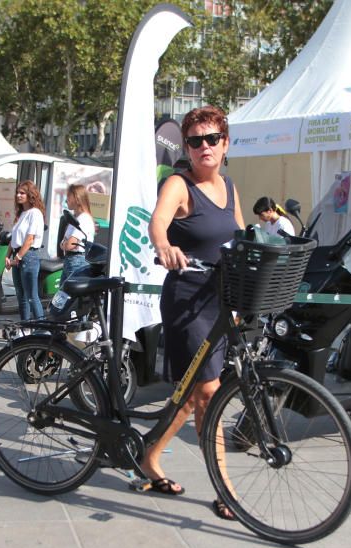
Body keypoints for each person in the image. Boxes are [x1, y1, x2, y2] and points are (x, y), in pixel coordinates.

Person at [147, 105, 244, 520]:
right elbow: (157, 222)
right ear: (186, 147)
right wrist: (164, 246)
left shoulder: (231, 188)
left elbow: (241, 240)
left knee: (191, 394)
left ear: (225, 144)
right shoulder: (178, 184)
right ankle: (224, 487)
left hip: (219, 302)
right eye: (194, 140)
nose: (204, 147)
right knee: (208, 392)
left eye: (211, 139)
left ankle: (148, 456)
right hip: (187, 299)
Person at [7, 180, 45, 321]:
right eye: (17, 192)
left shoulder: (35, 213)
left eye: (22, 193)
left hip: (28, 256)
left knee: (31, 296)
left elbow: (30, 238)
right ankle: (25, 328)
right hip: (19, 255)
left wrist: (18, 257)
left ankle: (41, 328)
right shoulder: (22, 213)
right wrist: (8, 256)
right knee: (21, 296)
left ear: (30, 194)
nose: (18, 195)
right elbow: (14, 238)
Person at [58, 183, 96, 282]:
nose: (66, 200)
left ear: (77, 198)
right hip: (71, 260)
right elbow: (64, 243)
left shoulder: (84, 219)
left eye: (68, 196)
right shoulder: (76, 218)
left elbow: (68, 245)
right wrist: (65, 243)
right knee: (63, 294)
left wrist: (64, 243)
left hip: (77, 261)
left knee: (68, 295)